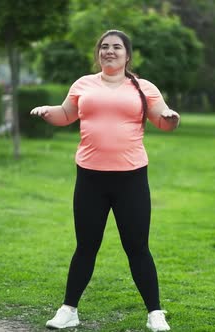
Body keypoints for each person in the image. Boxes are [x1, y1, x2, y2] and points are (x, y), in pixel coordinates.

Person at [30, 29, 180, 332]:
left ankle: (155, 313)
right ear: (98, 52)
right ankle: (68, 310)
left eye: (116, 47)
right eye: (104, 47)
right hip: (90, 178)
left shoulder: (142, 87)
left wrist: (170, 117)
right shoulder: (83, 84)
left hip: (131, 179)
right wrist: (49, 113)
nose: (109, 51)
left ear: (127, 55)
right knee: (86, 246)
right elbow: (66, 115)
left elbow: (162, 118)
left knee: (137, 247)